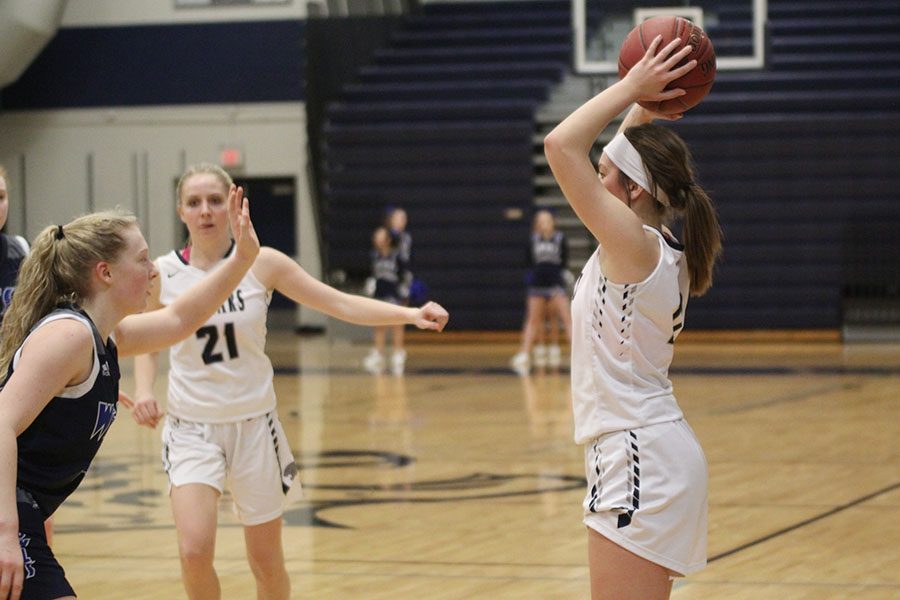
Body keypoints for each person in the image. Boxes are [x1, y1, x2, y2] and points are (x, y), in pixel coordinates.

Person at [129, 164, 447, 600]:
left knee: (266, 563)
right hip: (191, 429)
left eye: (215, 200)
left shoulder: (263, 263)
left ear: (235, 203)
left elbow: (337, 303)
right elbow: (147, 338)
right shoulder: (161, 273)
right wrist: (145, 390)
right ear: (180, 211)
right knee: (194, 551)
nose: (205, 211)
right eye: (194, 203)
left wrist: (409, 314)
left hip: (255, 427)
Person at [0, 187, 258, 600]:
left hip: (25, 511)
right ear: (105, 273)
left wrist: (242, 260)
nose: (153, 272)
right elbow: (1, 422)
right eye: (142, 260)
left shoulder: (101, 335)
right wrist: (6, 532)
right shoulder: (68, 335)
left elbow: (178, 320)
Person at [543, 36, 722, 599]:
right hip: (647, 451)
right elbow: (622, 152)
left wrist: (628, 88)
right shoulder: (646, 240)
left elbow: (558, 145)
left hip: (636, 456)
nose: (596, 181)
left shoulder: (633, 244)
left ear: (636, 190)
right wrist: (650, 97)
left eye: (605, 175)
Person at [510, 209, 572, 375]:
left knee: (567, 319)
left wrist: (560, 277)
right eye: (541, 220)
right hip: (537, 284)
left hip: (555, 283)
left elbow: (564, 260)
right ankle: (524, 353)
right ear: (537, 224)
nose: (545, 223)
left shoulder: (559, 239)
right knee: (532, 320)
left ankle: (579, 353)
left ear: (553, 222)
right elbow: (528, 261)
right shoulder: (533, 240)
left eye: (548, 220)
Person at [362, 225, 411, 375]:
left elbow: (405, 275)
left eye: (380, 235)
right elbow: (373, 274)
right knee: (379, 325)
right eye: (376, 235)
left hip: (394, 293)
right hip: (380, 293)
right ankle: (378, 352)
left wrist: (404, 292)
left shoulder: (397, 256)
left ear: (388, 239)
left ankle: (398, 352)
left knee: (397, 324)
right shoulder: (374, 255)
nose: (377, 238)